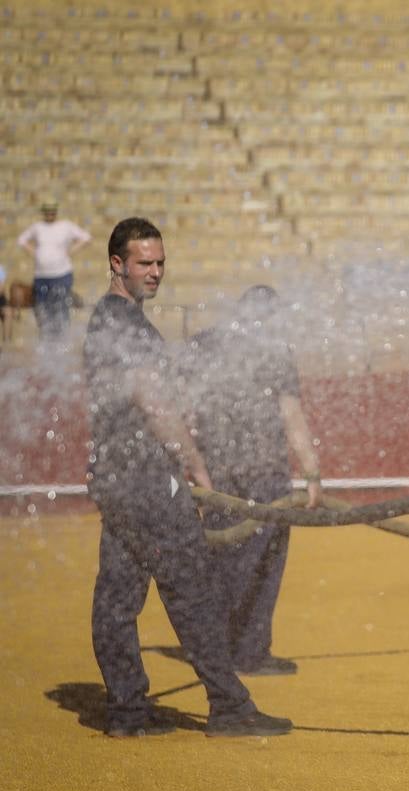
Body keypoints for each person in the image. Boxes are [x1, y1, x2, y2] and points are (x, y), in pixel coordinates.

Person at [83, 217, 291, 737]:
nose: (154, 273)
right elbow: (151, 401)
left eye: (159, 263)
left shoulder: (112, 321)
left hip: (118, 478)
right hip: (150, 480)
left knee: (118, 596)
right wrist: (195, 464)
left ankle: (127, 712)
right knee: (193, 590)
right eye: (143, 264)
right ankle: (230, 706)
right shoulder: (123, 323)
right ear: (117, 264)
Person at [178, 284, 322, 676]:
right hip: (263, 473)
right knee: (262, 563)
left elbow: (182, 408)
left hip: (220, 472)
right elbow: (291, 416)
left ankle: (213, 646)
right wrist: (311, 472)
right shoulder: (274, 350)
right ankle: (246, 651)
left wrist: (193, 466)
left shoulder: (206, 345)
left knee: (223, 559)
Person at [18, 200, 90, 342]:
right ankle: (45, 338)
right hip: (41, 276)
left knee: (61, 306)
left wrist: (70, 251)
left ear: (56, 212)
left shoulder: (65, 226)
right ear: (43, 212)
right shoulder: (37, 227)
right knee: (42, 308)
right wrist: (35, 253)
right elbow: (22, 240)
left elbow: (86, 238)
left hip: (62, 274)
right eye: (47, 211)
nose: (50, 214)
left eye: (52, 211)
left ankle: (62, 339)